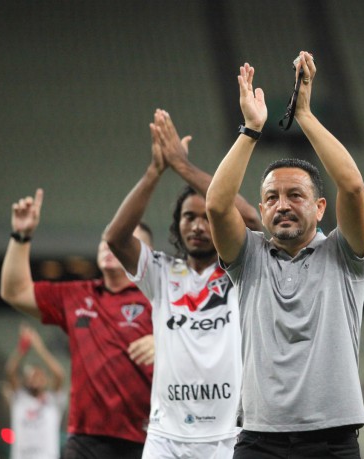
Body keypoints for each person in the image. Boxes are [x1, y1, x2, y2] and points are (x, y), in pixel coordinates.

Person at [206, 51, 364, 458]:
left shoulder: (344, 255)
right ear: (261, 210)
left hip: (332, 440)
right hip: (259, 439)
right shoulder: (249, 257)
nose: (282, 205)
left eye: (295, 195)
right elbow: (216, 205)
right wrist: (251, 130)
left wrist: (305, 116)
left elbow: (352, 187)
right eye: (271, 198)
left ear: (320, 208)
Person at [103, 109, 261, 459]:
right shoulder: (160, 273)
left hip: (228, 435)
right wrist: (154, 172)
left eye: (208, 217)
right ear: (177, 225)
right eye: (189, 217)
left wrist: (182, 166)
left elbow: (251, 218)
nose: (198, 226)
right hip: (166, 437)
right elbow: (115, 238)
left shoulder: (243, 271)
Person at [0, 189, 156, 458]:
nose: (109, 244)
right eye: (107, 238)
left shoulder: (162, 298)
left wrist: (166, 342)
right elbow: (14, 292)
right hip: (84, 441)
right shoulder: (76, 295)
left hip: (147, 439)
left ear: (146, 253)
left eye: (123, 238)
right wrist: (21, 236)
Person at [1, 323, 67, 459]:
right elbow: (10, 371)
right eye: (31, 376)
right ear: (25, 381)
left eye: (39, 375)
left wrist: (40, 348)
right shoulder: (20, 399)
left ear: (46, 380)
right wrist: (22, 348)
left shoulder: (53, 401)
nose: (35, 378)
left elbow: (60, 375)